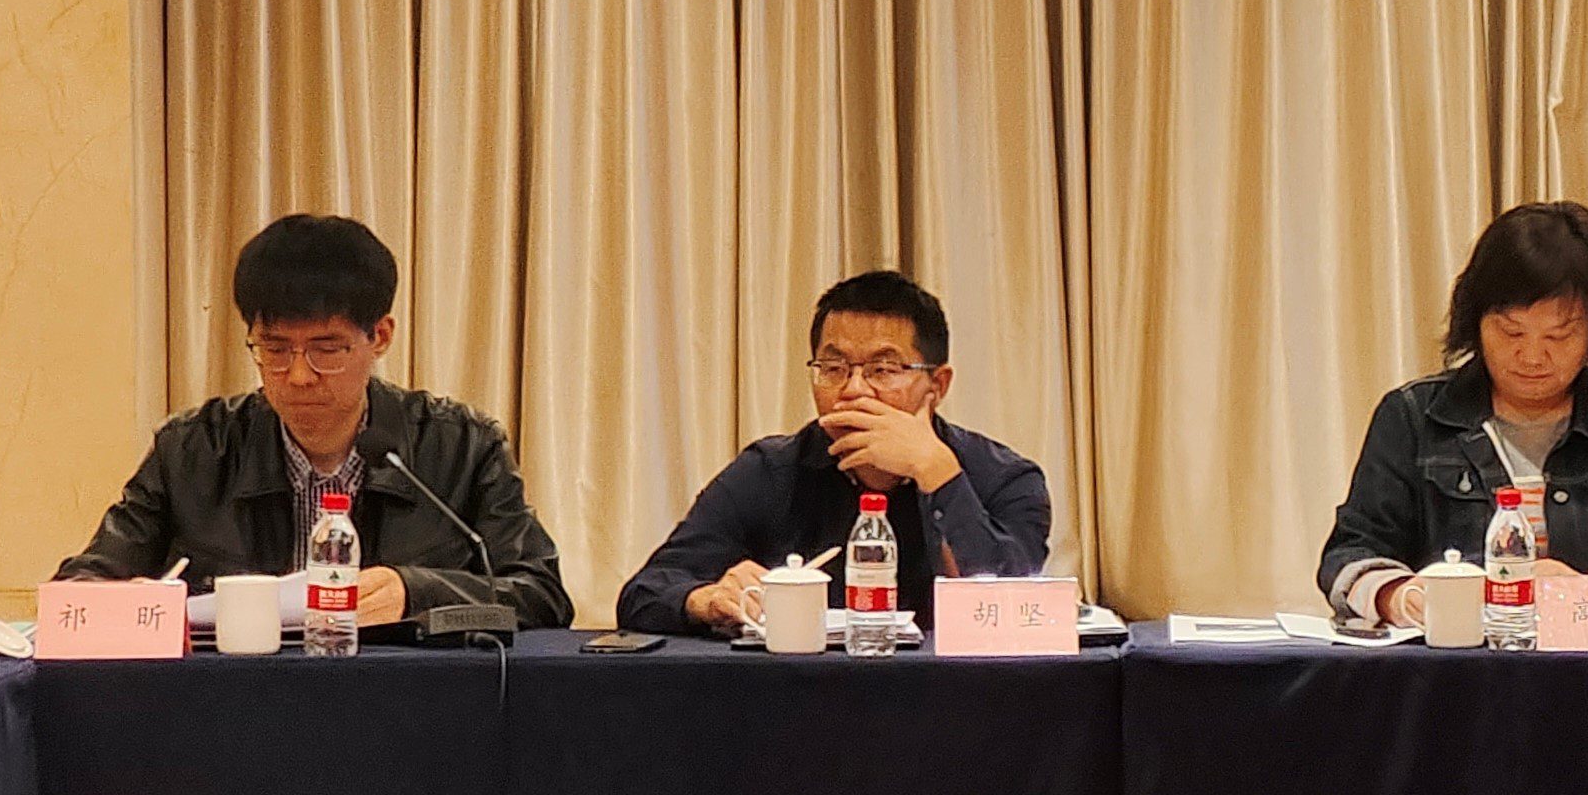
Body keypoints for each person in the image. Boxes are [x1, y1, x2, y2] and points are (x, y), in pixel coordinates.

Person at [58, 214, 571, 629]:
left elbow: (542, 595)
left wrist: (416, 592)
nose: (299, 376)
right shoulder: (193, 450)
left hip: (406, 704)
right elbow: (79, 590)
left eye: (327, 350)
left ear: (380, 336)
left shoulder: (461, 446)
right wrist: (128, 604)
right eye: (275, 349)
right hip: (231, 706)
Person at [1320, 201, 1588, 626]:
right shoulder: (1413, 418)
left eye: (1559, 336)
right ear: (1476, 321)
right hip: (1457, 659)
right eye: (1511, 331)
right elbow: (1349, 555)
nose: (1532, 356)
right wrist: (1398, 596)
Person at [618, 271, 1051, 635]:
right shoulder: (768, 472)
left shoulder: (1005, 478)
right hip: (802, 697)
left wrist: (937, 472)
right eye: (833, 368)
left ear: (937, 385)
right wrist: (706, 599)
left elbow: (1013, 611)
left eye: (883, 369)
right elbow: (643, 594)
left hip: (953, 699)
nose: (853, 390)